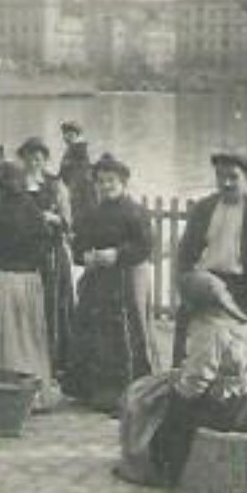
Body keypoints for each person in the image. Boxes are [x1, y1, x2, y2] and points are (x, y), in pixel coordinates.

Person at [117, 270, 247, 488]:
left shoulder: (209, 329)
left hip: (227, 407)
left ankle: (165, 469)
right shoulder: (244, 322)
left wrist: (174, 391)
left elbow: (196, 382)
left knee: (161, 407)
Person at [62, 154, 159, 413]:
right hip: (98, 280)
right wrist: (85, 256)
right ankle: (94, 391)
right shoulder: (93, 212)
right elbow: (79, 242)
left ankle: (130, 392)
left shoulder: (135, 211)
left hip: (126, 278)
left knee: (126, 332)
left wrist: (117, 254)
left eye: (111, 181)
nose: (106, 186)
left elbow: (146, 245)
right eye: (101, 181)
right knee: (94, 329)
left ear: (123, 182)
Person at [172, 149, 247, 365]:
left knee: (237, 359)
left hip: (242, 289)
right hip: (205, 284)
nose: (226, 183)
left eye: (233, 177)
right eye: (220, 177)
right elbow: (184, 254)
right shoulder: (203, 209)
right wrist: (187, 283)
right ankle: (185, 395)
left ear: (246, 179)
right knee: (188, 351)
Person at [0, 162, 56, 386]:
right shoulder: (31, 210)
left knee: (1, 335)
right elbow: (44, 245)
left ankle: (0, 381)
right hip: (24, 280)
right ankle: (25, 382)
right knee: (23, 336)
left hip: (1, 279)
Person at [16, 137, 76, 378]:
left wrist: (55, 219)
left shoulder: (55, 186)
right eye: (29, 157)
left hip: (51, 254)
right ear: (24, 159)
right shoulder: (16, 185)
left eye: (38, 157)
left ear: (45, 160)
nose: (34, 161)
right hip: (25, 256)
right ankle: (27, 358)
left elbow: (68, 223)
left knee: (53, 305)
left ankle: (54, 360)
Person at [58, 121, 97, 226]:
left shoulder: (79, 150)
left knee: (82, 215)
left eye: (71, 135)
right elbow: (63, 172)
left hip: (81, 190)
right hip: (75, 189)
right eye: (65, 135)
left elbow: (80, 170)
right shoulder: (71, 150)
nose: (67, 137)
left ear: (77, 136)